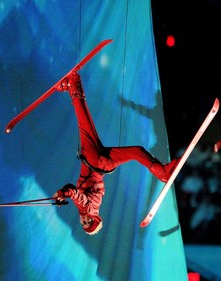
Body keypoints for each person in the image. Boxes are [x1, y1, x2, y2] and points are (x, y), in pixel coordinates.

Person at [53, 72, 179, 235]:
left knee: (136, 151)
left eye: (83, 223)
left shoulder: (92, 207)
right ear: (94, 218)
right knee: (82, 119)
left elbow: (76, 193)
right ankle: (73, 81)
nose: (83, 220)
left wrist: (64, 194)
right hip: (94, 160)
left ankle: (161, 171)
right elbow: (76, 194)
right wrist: (63, 193)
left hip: (103, 165)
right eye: (87, 222)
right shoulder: (88, 209)